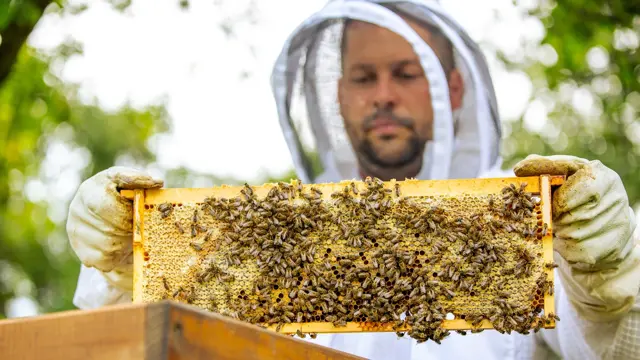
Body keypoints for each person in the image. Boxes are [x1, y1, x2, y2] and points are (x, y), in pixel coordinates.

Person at [66, 1, 640, 359]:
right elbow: (132, 343)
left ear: (452, 90)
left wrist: (607, 275)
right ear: (337, 96)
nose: (383, 94)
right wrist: (122, 269)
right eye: (363, 76)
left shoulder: (524, 221)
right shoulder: (275, 235)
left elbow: (616, 347)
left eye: (405, 73)